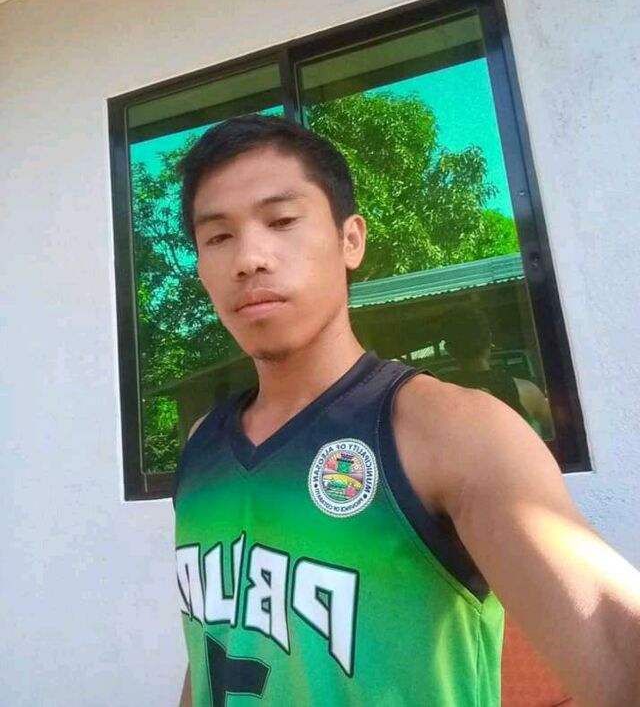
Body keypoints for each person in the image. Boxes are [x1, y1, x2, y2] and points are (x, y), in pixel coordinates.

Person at [173, 115, 640, 707]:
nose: (249, 258)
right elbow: (214, 639)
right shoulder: (202, 445)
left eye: (282, 220)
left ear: (351, 240)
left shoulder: (451, 432)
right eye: (218, 237)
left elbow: (614, 639)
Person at [439, 304, 554, 439]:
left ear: (449, 349)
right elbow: (562, 429)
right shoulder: (526, 391)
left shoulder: (440, 400)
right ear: (489, 339)